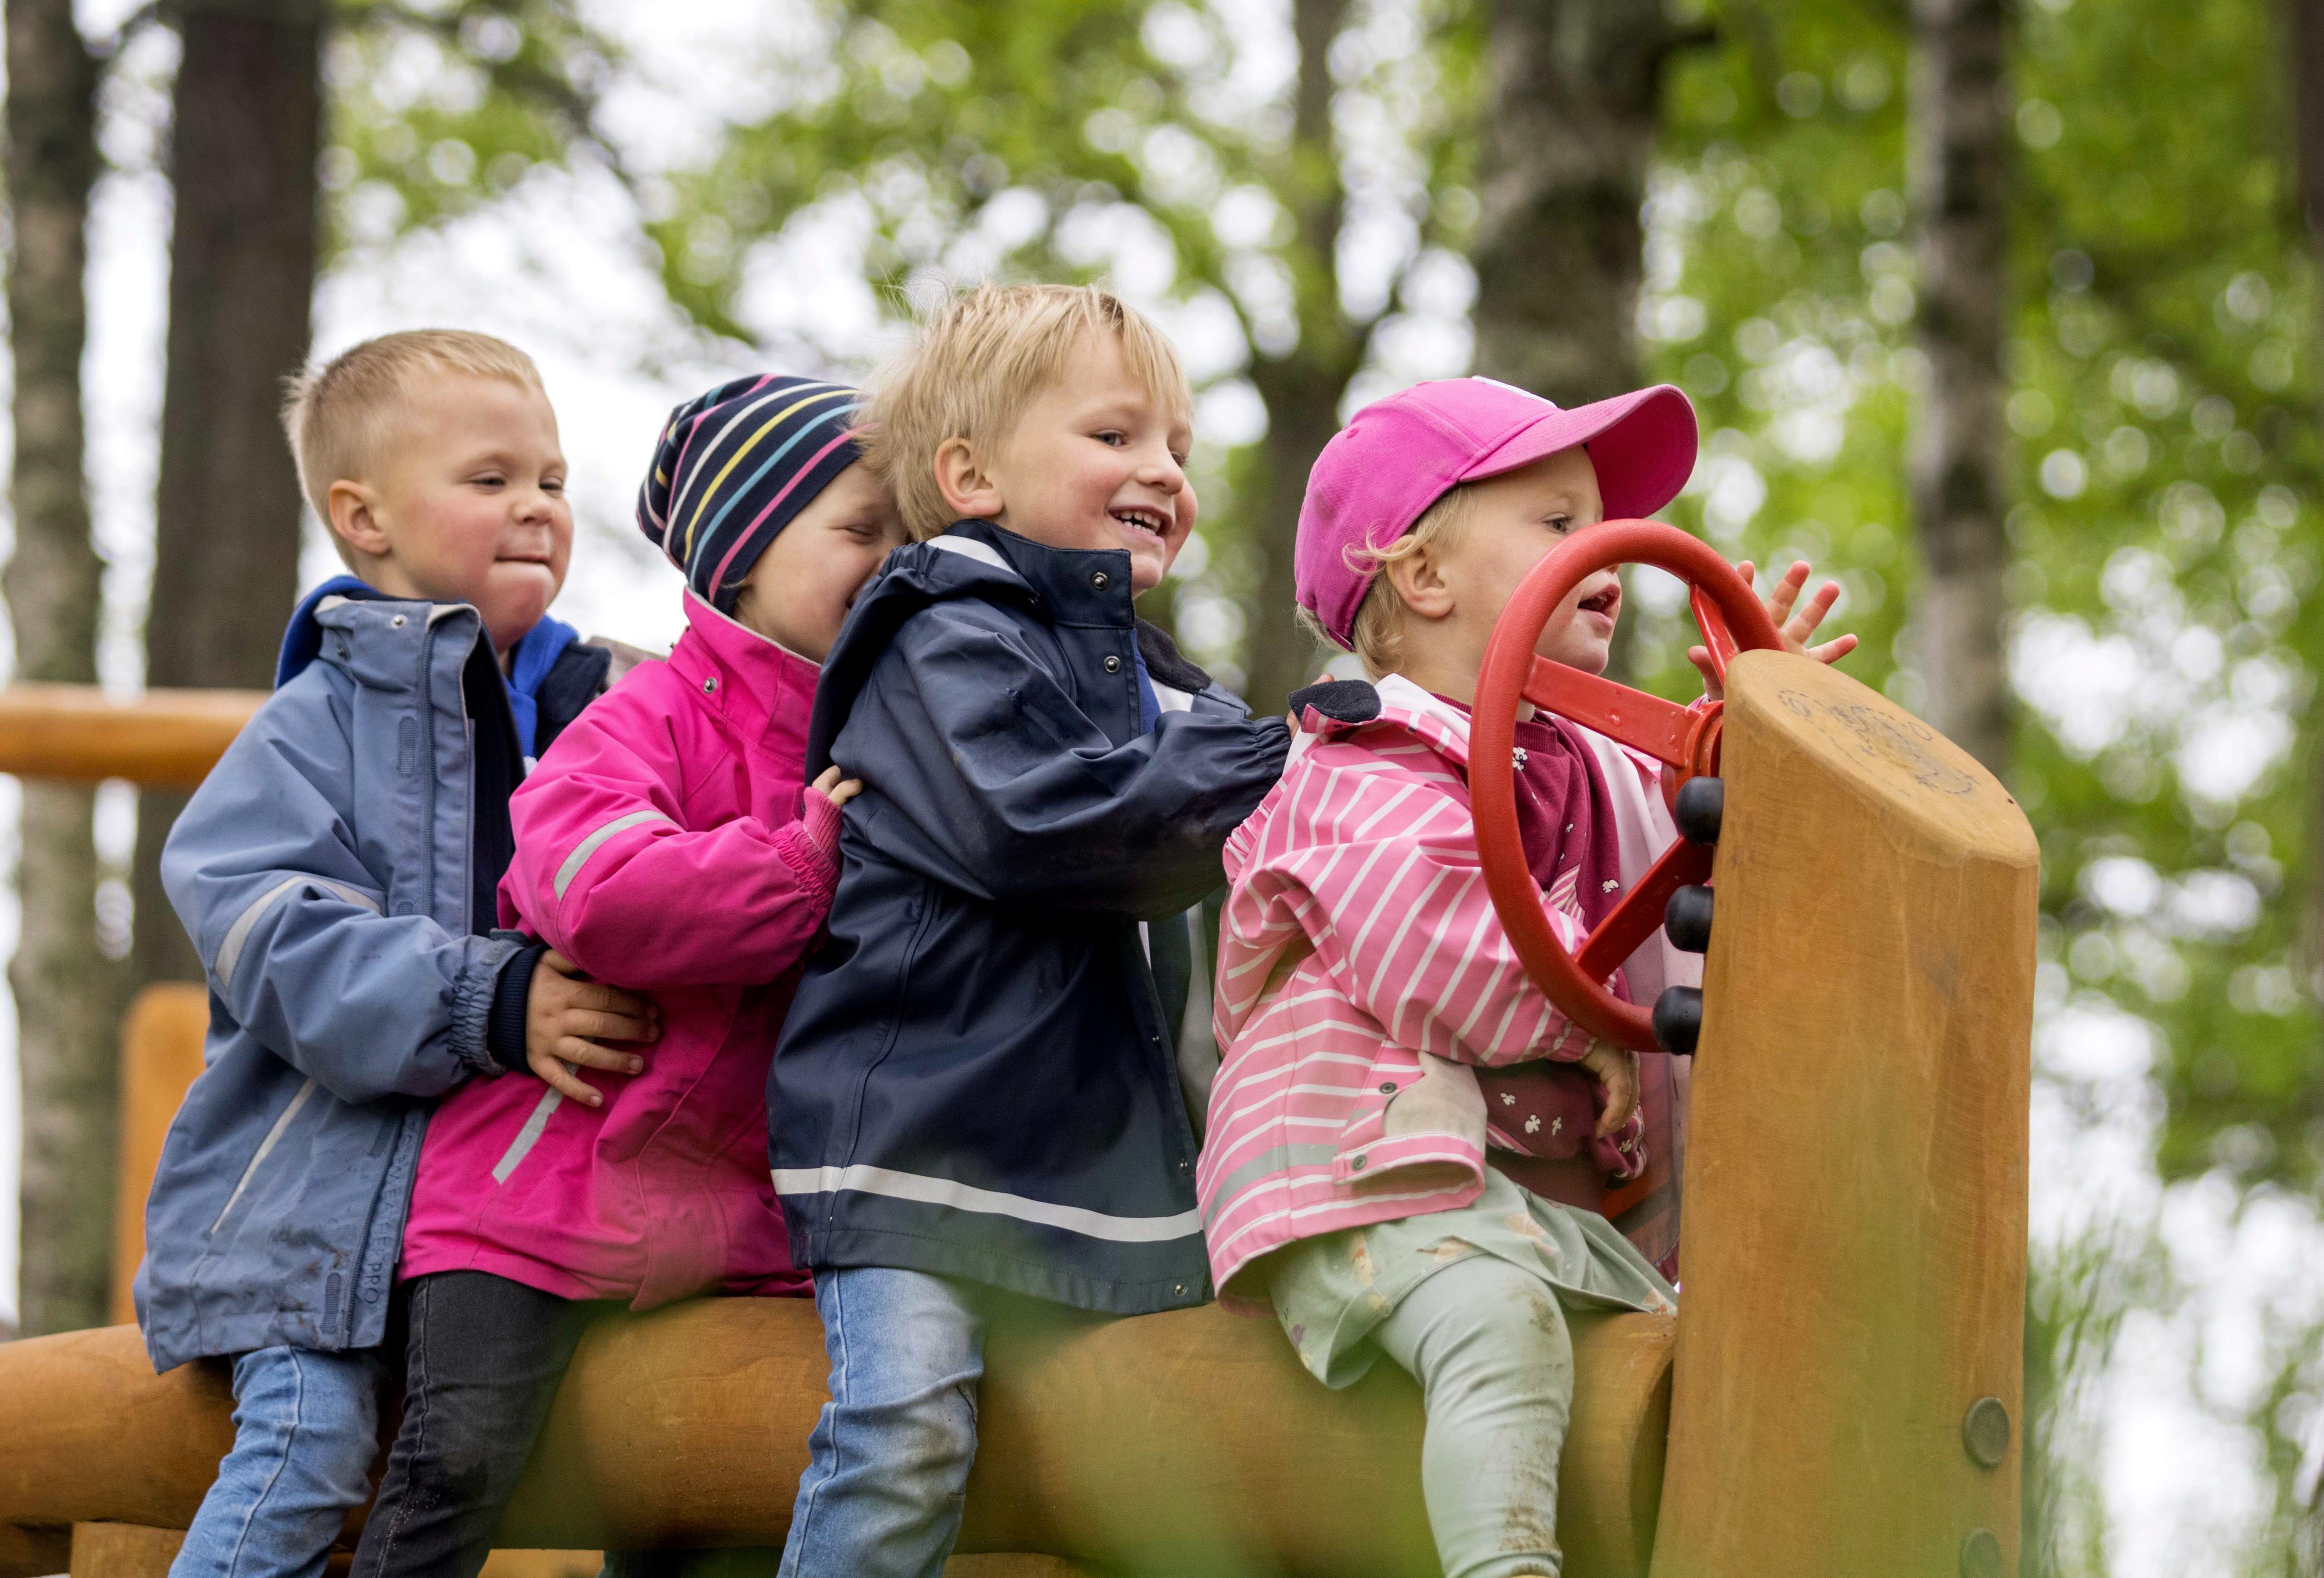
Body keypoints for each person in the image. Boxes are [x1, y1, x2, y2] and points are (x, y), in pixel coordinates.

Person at [1198, 376, 1855, 1578]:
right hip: (1366, 1176)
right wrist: (1585, 1022)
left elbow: (1701, 883)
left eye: (1605, 524)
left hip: (1533, 1206)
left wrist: (1760, 744)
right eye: (1558, 523)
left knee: (1707, 1381)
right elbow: (1428, 936)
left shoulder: (1607, 768)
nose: (1606, 550)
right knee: (1498, 1332)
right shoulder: (1361, 755)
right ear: (1422, 576)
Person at [766, 282, 1294, 1578]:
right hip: (917, 1144)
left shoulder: (1156, 681)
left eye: (1176, 445)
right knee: (902, 1430)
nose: (1162, 470)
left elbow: (1260, 813)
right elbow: (1040, 825)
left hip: (1080, 1157)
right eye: (1115, 436)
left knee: (1136, 1458)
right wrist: (1274, 751)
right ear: (971, 477)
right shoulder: (939, 634)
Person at [350, 375, 907, 1578]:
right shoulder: (643, 712)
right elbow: (595, 888)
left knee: (708, 1502)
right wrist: (794, 867)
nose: (894, 562)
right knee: (455, 1464)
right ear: (742, 557)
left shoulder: (895, 737)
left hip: (746, 1223)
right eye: (863, 529)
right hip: (534, 1196)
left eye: (911, 536)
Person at [139, 330, 656, 1578]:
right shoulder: (312, 729)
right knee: (309, 1447)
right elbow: (271, 931)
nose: (536, 505)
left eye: (551, 479)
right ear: (362, 517)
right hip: (314, 1220)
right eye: (490, 479)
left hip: (515, 1219)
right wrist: (490, 996)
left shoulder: (613, 710)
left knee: (636, 1437)